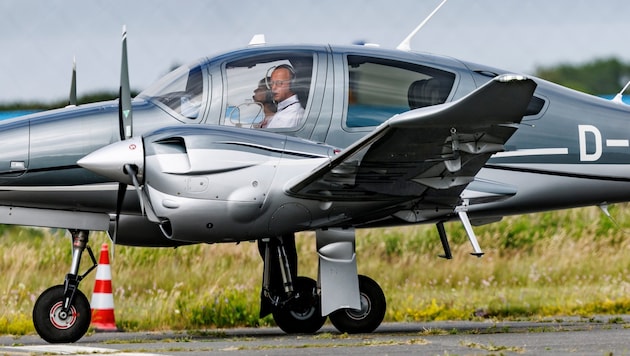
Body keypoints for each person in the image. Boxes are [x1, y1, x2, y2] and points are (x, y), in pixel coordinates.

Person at [265, 64, 304, 128]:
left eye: (279, 83)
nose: (273, 88)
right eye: (272, 84)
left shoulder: (292, 113)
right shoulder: (285, 109)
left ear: (292, 84)